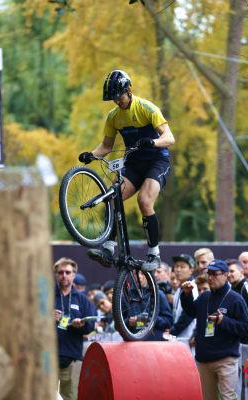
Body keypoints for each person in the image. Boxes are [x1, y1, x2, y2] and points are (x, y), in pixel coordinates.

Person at [80, 70, 175, 272]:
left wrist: (153, 142)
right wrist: (91, 155)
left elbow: (169, 138)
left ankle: (154, 253)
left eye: (119, 96)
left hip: (157, 162)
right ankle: (108, 249)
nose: (117, 101)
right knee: (112, 197)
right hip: (133, 165)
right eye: (113, 99)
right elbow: (106, 146)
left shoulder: (146, 108)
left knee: (144, 201)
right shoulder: (113, 117)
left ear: (129, 90)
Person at [180, 259, 248, 400]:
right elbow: (191, 312)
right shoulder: (205, 296)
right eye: (209, 274)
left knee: (228, 397)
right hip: (203, 359)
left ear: (225, 275)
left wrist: (224, 321)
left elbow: (245, 329)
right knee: (207, 398)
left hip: (225, 359)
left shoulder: (235, 299)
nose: (210, 277)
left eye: (215, 274)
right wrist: (187, 295)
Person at [53, 258, 96, 400]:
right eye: (60, 272)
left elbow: (91, 325)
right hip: (48, 357)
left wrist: (81, 325)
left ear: (73, 275)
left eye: (67, 272)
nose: (64, 275)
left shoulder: (82, 299)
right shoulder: (46, 297)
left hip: (72, 358)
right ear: (56, 275)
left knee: (71, 397)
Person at [170, 254, 198, 339]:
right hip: (179, 338)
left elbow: (188, 315)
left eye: (182, 267)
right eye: (176, 266)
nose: (178, 270)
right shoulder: (179, 289)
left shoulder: (193, 287)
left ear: (191, 270)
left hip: (189, 338)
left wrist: (172, 331)